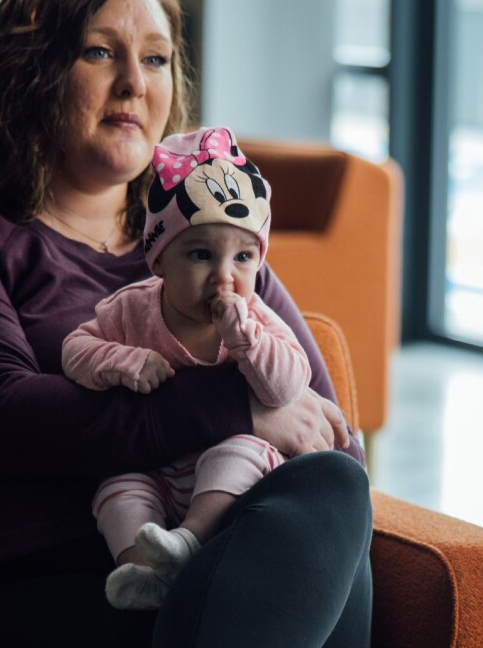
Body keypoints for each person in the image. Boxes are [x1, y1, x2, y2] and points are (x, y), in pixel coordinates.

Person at [0, 0, 373, 648]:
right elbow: (5, 419)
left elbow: (323, 434)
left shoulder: (213, 249)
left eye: (154, 58)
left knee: (328, 495)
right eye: (99, 52)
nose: (133, 84)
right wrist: (235, 404)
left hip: (184, 579)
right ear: (28, 72)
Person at [62, 127, 313, 610]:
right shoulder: (132, 309)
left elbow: (288, 387)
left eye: (243, 258)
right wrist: (123, 360)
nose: (224, 276)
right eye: (201, 255)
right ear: (159, 261)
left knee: (242, 449)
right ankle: (142, 570)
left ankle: (190, 542)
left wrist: (247, 341)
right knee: (116, 485)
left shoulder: (257, 316)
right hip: (155, 468)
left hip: (226, 484)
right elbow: (76, 348)